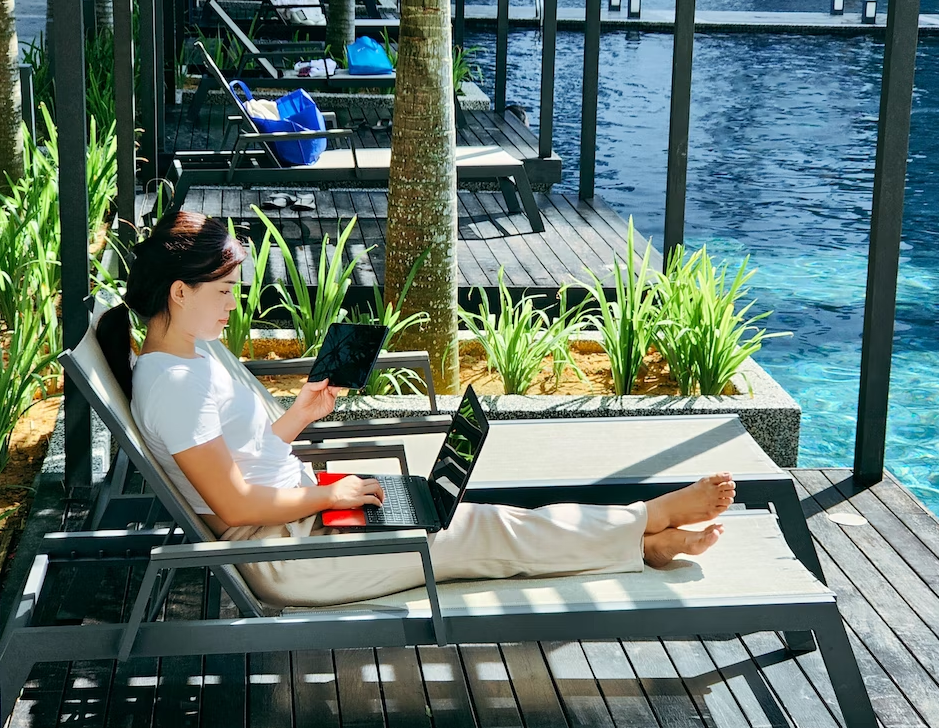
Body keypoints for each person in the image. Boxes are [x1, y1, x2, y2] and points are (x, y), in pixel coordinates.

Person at [96, 211, 737, 608]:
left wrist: (299, 417)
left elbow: (239, 457)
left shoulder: (190, 355)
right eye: (225, 290)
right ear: (179, 293)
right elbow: (234, 507)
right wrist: (329, 495)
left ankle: (635, 537)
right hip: (285, 557)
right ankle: (644, 525)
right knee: (486, 531)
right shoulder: (174, 384)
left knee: (473, 520)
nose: (236, 302)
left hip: (299, 522)